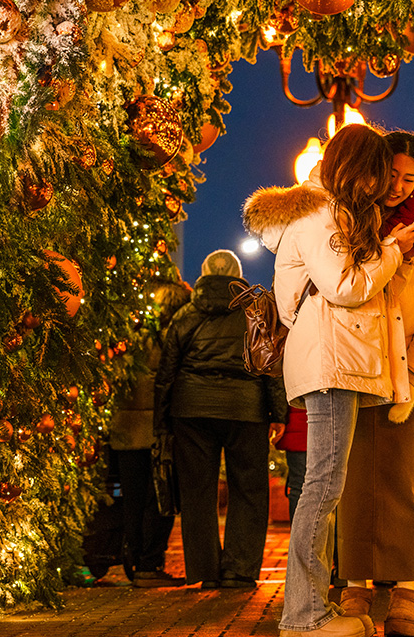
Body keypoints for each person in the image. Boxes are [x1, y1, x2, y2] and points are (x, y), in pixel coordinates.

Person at [243, 124, 414, 637]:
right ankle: (303, 616)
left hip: (335, 363)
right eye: (379, 171)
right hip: (328, 365)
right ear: (357, 167)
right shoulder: (319, 214)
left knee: (325, 487)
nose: (384, 185)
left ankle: (311, 609)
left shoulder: (329, 215)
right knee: (322, 488)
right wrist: (392, 249)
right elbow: (346, 286)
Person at [333, 130, 414, 637]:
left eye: (410, 179)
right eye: (391, 175)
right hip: (356, 363)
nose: (398, 187)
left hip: (408, 369)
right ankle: (356, 586)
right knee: (353, 477)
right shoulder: (351, 222)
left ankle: (407, 590)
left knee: (405, 480)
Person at [153, 249, 287, 591]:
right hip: (246, 409)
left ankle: (206, 570)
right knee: (249, 489)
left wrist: (163, 421)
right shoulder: (252, 313)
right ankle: (239, 571)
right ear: (237, 277)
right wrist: (278, 413)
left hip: (191, 409)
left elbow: (167, 373)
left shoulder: (185, 315)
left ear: (203, 274)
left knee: (197, 491)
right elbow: (268, 365)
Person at [108, 279, 190, 587]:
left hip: (126, 429)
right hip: (157, 429)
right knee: (160, 499)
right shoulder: (170, 337)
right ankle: (149, 563)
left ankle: (134, 561)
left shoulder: (126, 337)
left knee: (132, 498)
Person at [274, 404, 306, 522]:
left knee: (298, 487)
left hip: (296, 426)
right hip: (300, 428)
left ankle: (298, 536)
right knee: (300, 487)